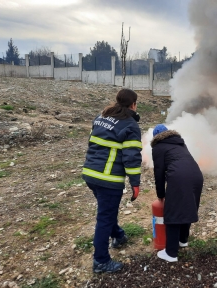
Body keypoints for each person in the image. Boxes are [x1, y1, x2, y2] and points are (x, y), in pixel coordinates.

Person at [82, 88, 143, 273]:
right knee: (105, 217)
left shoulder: (100, 117)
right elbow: (131, 158)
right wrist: (135, 183)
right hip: (108, 179)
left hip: (90, 174)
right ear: (133, 104)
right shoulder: (130, 125)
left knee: (106, 211)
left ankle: (119, 235)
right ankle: (100, 261)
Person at [151, 124, 204, 262]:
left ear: (155, 137)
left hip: (179, 177)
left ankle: (171, 253)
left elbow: (159, 172)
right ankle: (182, 240)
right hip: (197, 175)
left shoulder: (158, 147)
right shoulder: (180, 143)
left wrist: (161, 194)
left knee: (173, 211)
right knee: (187, 207)